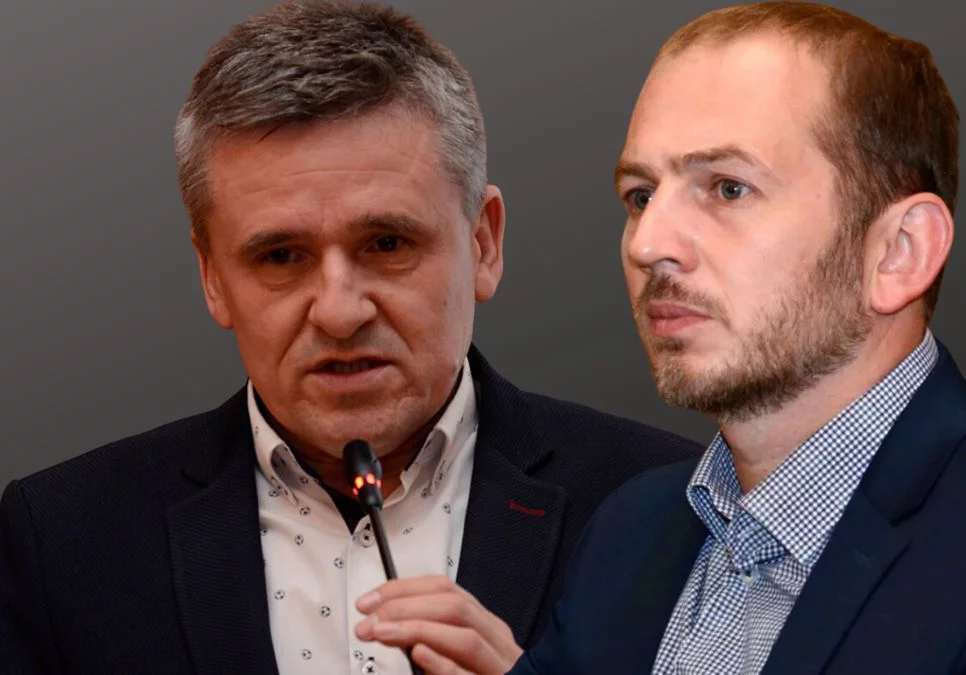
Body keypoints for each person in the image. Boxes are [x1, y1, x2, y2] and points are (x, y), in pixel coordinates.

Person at [0, 3, 701, 674]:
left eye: (387, 243)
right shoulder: (61, 539)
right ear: (212, 276)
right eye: (280, 256)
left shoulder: (684, 511)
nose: (338, 312)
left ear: (483, 244)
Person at [508, 3, 966, 674]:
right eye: (640, 195)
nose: (649, 243)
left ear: (900, 252)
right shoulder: (630, 532)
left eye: (727, 188)